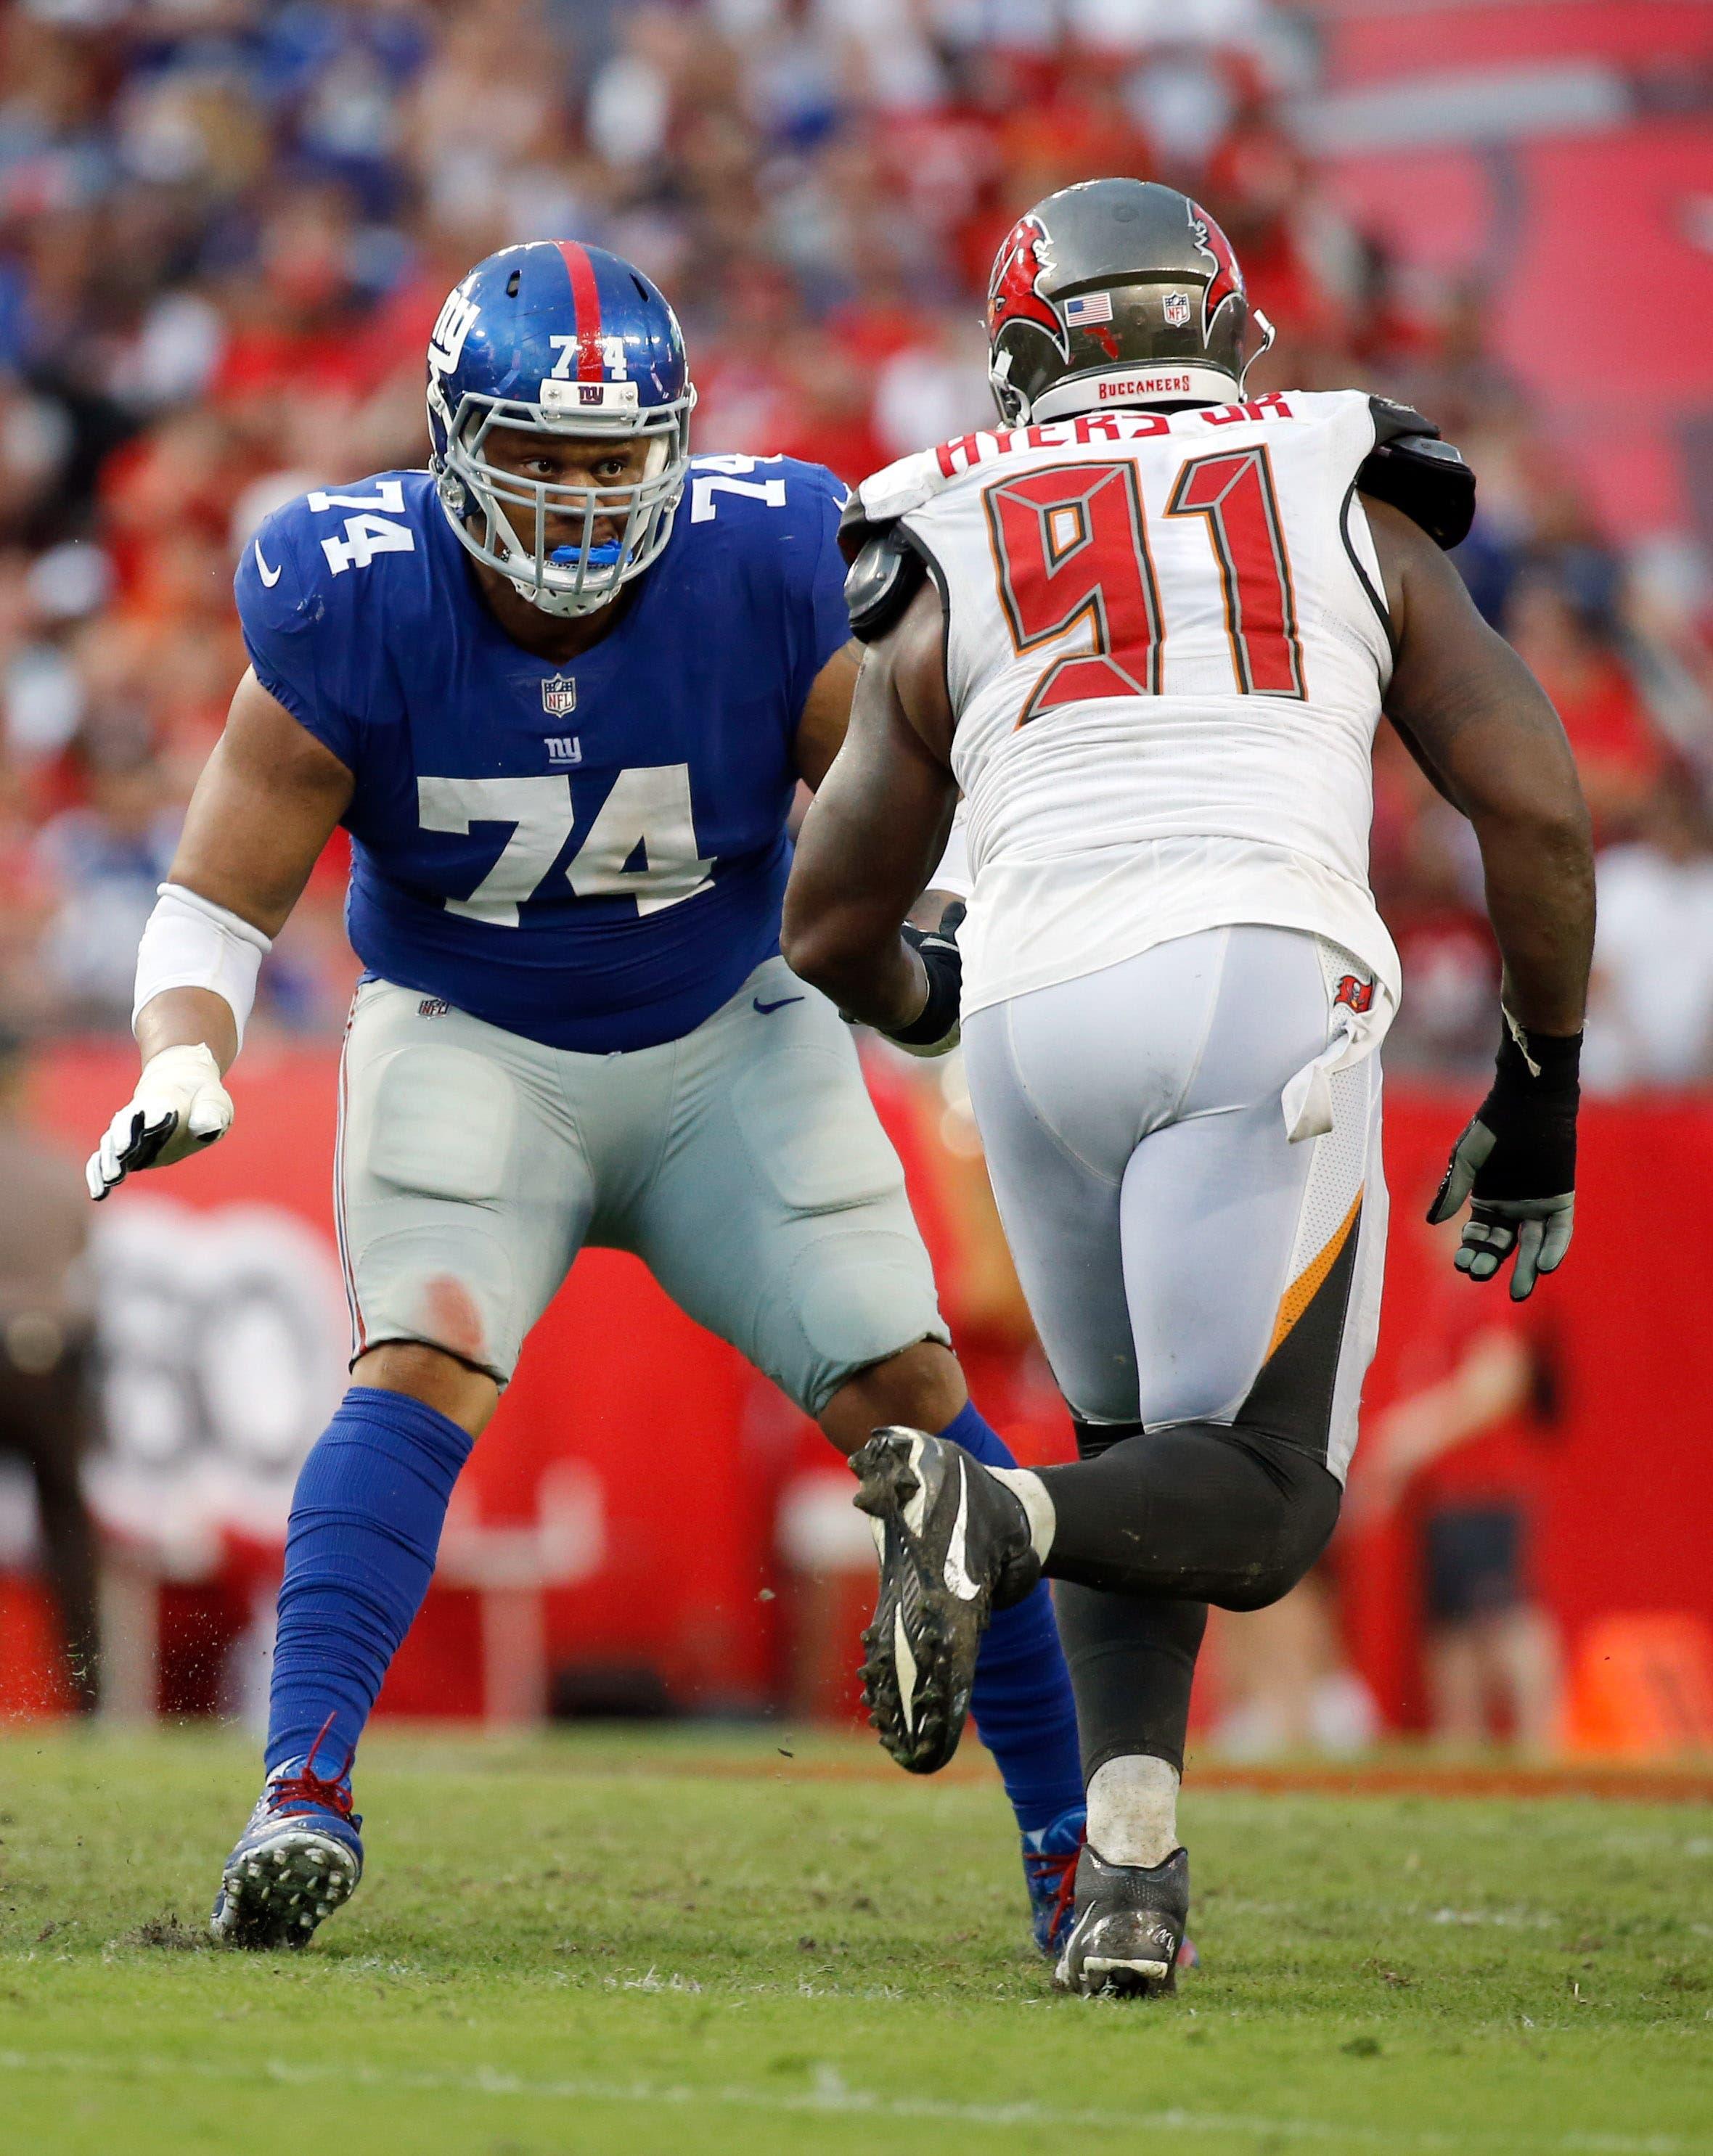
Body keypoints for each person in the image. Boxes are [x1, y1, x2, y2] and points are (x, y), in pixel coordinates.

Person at [83, 241, 1084, 1951]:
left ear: (675, 447)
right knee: (420, 1355)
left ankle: (1081, 1845)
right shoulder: (355, 588)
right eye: (538, 454)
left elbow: (914, 823)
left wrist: (954, 969)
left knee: (916, 1393)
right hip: (470, 1036)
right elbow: (212, 901)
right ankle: (301, 1788)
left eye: (611, 458)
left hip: (728, 1036)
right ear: (454, 439)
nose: (575, 497)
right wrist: (189, 1046)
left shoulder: (770, 565)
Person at [782, 179, 1595, 1995]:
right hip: (1253, 974)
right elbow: (1534, 799)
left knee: (1130, 1454)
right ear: (1227, 337)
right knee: (1265, 1499)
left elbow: (830, 919)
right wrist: (1541, 1083)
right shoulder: (1328, 471)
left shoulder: (948, 518)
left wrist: (942, 1003)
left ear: (1022, 362)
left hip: (1033, 1022)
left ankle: (1128, 1876)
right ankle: (986, 1522)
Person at [0, 1024, 102, 1710]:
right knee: (67, 1531)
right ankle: (88, 1694)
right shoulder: (57, 1164)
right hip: (48, 1359)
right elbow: (81, 1255)